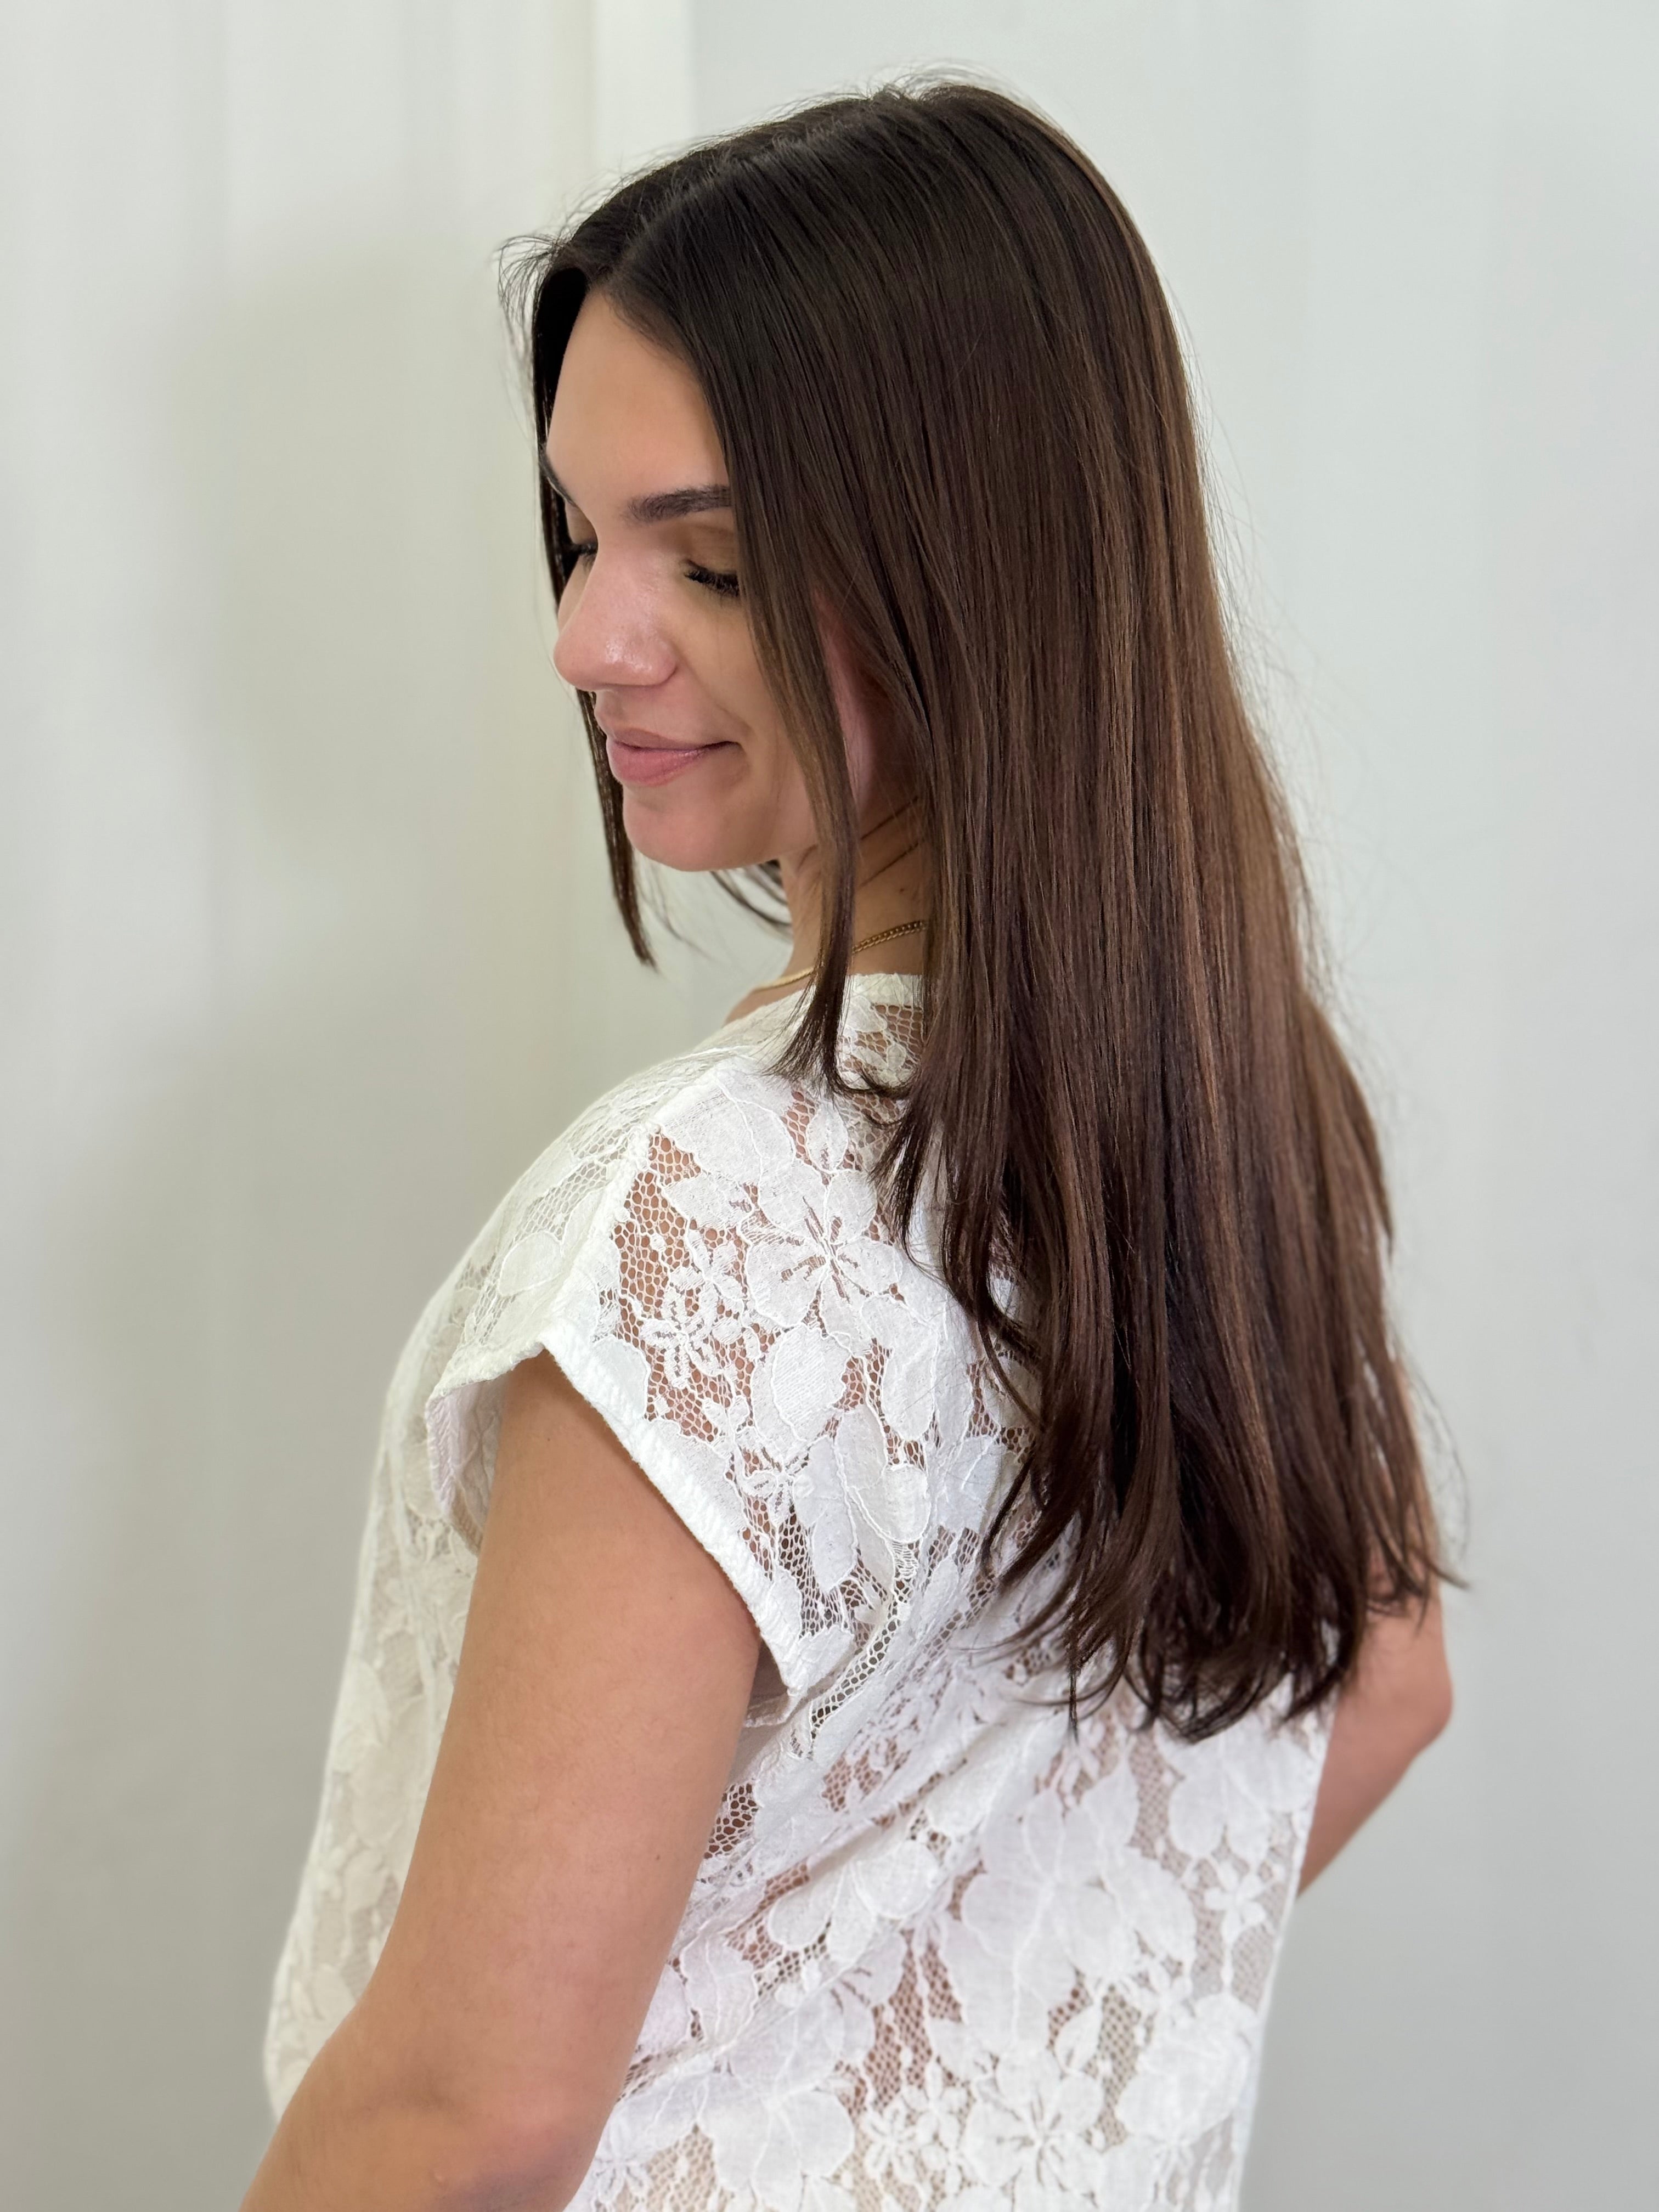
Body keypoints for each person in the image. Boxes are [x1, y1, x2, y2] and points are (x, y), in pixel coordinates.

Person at [243, 80, 1452, 2212]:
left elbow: (468, 2117)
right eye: (580, 535)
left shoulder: (710, 1225)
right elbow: (1384, 1681)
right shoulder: (1218, 1109)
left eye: (705, 562)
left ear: (971, 568)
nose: (584, 641)